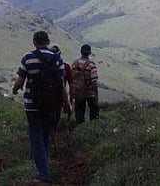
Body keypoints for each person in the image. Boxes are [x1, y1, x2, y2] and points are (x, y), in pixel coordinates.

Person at [12, 31, 72, 183]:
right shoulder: (57, 59)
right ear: (48, 41)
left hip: (32, 104)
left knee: (36, 136)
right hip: (52, 104)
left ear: (34, 42)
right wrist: (66, 103)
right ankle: (42, 167)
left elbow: (20, 82)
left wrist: (15, 89)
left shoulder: (28, 57)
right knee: (46, 135)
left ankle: (43, 172)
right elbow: (61, 84)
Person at [71, 43, 99, 123]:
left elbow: (72, 79)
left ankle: (79, 129)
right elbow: (94, 82)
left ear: (81, 52)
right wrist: (96, 95)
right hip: (90, 93)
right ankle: (93, 129)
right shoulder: (91, 65)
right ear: (89, 53)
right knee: (94, 112)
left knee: (79, 113)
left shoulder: (74, 64)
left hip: (78, 92)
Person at [50, 43, 73, 129]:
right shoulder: (65, 66)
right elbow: (70, 85)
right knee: (55, 119)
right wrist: (69, 103)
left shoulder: (41, 65)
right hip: (58, 97)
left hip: (41, 97)